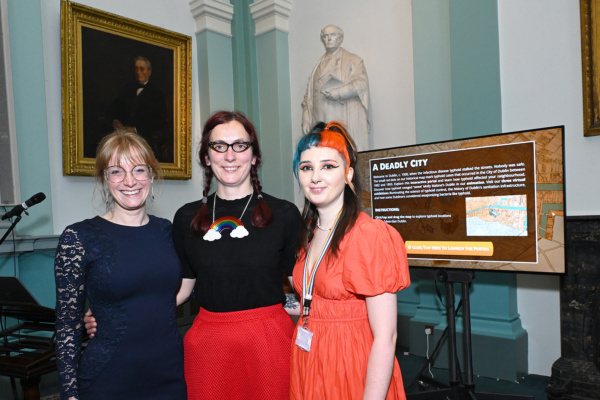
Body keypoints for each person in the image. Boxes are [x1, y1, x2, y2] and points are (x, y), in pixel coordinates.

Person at [172, 110, 301, 399]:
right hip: (209, 344)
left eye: (240, 145)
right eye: (219, 146)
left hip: (269, 342)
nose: (230, 156)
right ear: (207, 157)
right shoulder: (187, 218)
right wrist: (122, 313)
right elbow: (181, 290)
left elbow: (302, 286)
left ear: (254, 155)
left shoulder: (284, 214)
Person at [54, 130, 187, 400]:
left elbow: (183, 287)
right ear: (105, 179)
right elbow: (67, 326)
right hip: (109, 378)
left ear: (151, 175)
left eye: (139, 170)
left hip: (168, 375)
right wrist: (70, 394)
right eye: (116, 171)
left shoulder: (167, 231)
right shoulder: (78, 238)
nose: (129, 181)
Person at [290, 121, 410, 399]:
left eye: (328, 166)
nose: (315, 177)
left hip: (351, 364)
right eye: (307, 167)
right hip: (309, 360)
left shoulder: (369, 235)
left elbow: (386, 336)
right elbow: (316, 303)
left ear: (348, 174)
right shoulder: (308, 232)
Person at [302, 25, 371, 151]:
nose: (329, 39)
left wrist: (338, 92)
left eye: (332, 35)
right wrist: (306, 120)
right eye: (326, 36)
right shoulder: (317, 66)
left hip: (340, 122)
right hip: (319, 124)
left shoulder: (352, 61)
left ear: (340, 38)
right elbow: (308, 98)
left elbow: (361, 84)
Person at [107, 56, 171, 162]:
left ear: (149, 72)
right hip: (122, 136)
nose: (138, 72)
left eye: (142, 69)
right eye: (136, 68)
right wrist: (116, 121)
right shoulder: (127, 89)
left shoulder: (157, 94)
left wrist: (136, 129)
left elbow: (159, 121)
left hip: (145, 136)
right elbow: (114, 109)